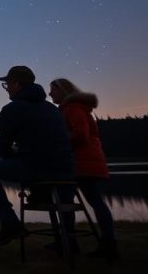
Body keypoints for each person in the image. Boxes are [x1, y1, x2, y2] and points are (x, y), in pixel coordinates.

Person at [0, 65, 75, 246]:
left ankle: (10, 223)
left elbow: (3, 149)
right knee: (38, 171)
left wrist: (17, 154)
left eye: (7, 84)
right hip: (67, 170)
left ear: (17, 84)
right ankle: (69, 240)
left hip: (38, 168)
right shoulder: (52, 109)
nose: (6, 88)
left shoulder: (12, 109)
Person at [49, 77, 120, 261]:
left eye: (53, 90)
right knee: (75, 200)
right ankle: (70, 241)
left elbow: (81, 134)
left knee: (92, 201)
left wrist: (59, 144)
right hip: (84, 162)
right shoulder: (72, 108)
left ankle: (107, 245)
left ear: (63, 91)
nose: (50, 94)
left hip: (84, 162)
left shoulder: (72, 107)